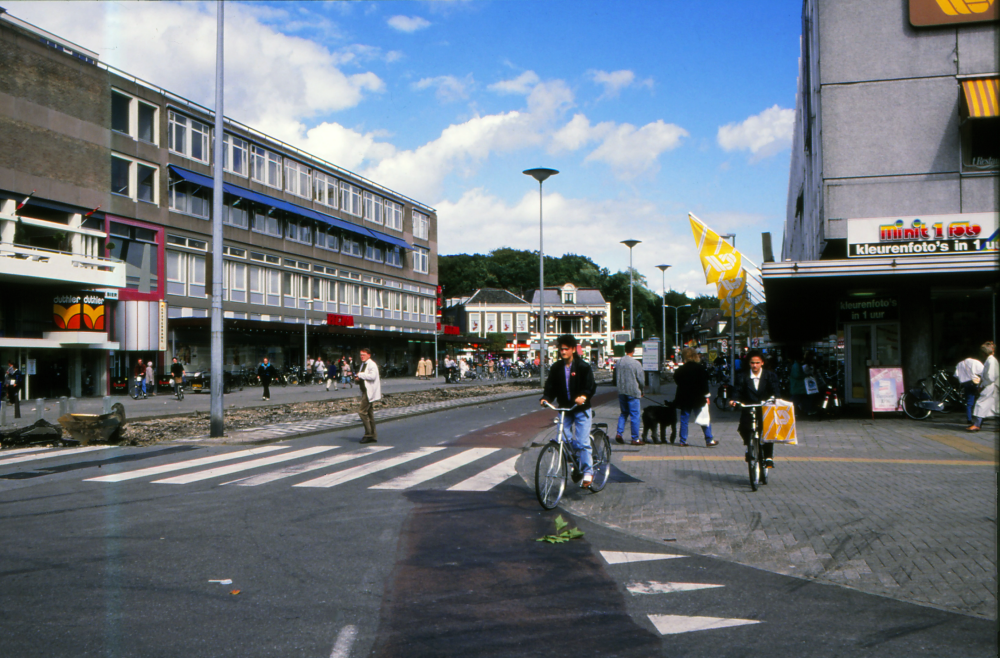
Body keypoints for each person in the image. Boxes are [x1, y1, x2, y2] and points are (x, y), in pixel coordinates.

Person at [540, 334, 598, 488]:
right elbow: (550, 386)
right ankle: (575, 461)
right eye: (561, 349)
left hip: (580, 409)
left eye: (566, 349)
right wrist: (546, 398)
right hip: (565, 408)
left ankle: (588, 471)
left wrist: (584, 396)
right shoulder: (556, 367)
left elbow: (590, 385)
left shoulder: (583, 367)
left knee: (582, 441)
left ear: (573, 349)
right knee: (562, 440)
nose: (563, 352)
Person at [730, 350, 782, 468]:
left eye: (757, 363)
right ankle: (750, 446)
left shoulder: (770, 375)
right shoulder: (742, 376)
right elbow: (737, 390)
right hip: (749, 406)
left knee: (768, 430)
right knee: (744, 428)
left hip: (765, 407)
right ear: (749, 363)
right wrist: (733, 400)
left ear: (762, 363)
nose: (755, 365)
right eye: (752, 363)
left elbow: (775, 390)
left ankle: (768, 457)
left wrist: (775, 399)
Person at [673, 347, 718, 447]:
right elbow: (704, 384)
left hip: (685, 397)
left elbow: (677, 381)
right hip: (698, 397)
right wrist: (707, 396)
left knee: (684, 419)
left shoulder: (680, 370)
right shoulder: (700, 369)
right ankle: (709, 439)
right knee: (704, 418)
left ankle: (682, 441)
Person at [615, 340, 644, 446]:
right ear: (633, 351)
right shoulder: (636, 363)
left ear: (625, 350)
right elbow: (641, 380)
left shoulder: (619, 362)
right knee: (635, 415)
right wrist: (642, 390)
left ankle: (619, 433)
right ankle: (635, 438)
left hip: (621, 391)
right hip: (633, 391)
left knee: (623, 413)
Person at [968, 341, 997, 432]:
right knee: (995, 407)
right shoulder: (990, 360)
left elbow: (990, 377)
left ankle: (977, 425)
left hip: (990, 386)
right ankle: (977, 424)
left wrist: (982, 386)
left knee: (980, 404)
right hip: (991, 386)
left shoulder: (991, 361)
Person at [355, 347, 382, 443]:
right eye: (361, 355)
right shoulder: (363, 364)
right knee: (369, 413)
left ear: (369, 355)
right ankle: (373, 435)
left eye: (364, 355)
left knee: (362, 412)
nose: (361, 357)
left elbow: (372, 376)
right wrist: (358, 379)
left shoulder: (372, 365)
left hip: (369, 391)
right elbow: (363, 376)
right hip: (365, 390)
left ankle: (368, 434)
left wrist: (360, 375)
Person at [955, 353, 984, 426]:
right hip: (975, 382)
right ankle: (980, 418)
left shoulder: (960, 364)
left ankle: (969, 419)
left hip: (966, 383)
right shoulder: (975, 362)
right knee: (981, 400)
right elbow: (983, 372)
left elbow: (956, 375)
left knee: (969, 402)